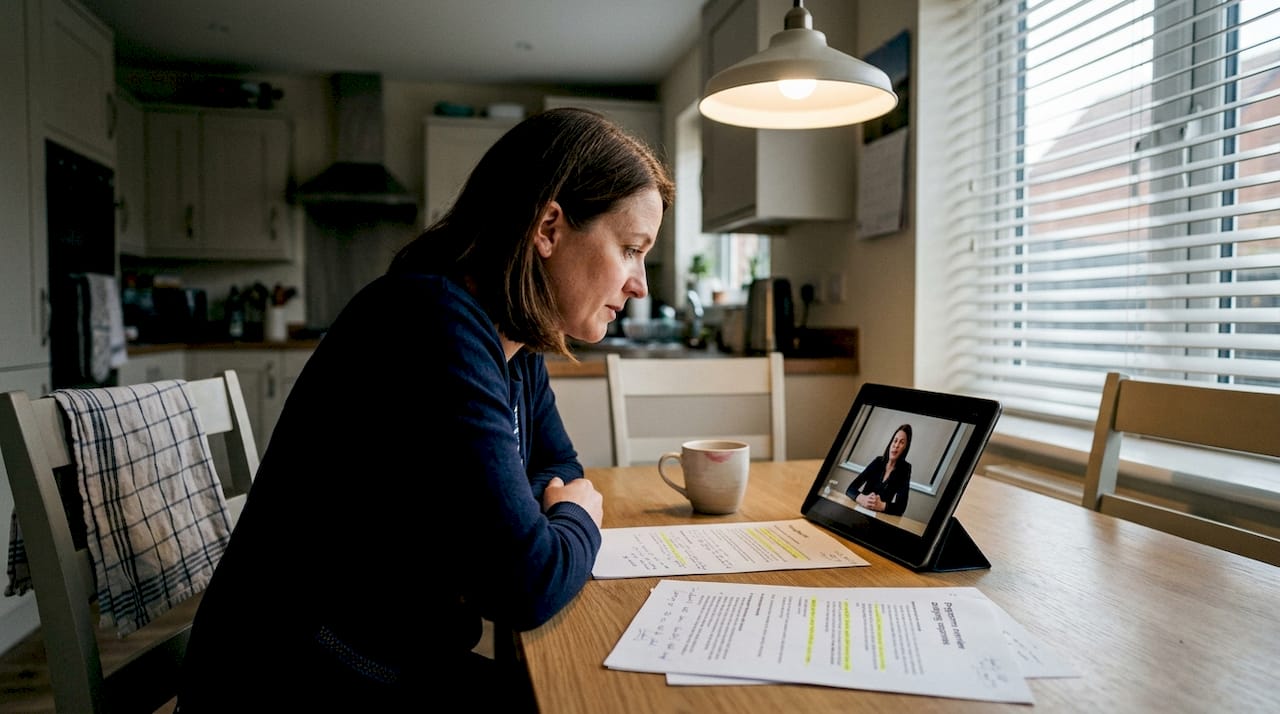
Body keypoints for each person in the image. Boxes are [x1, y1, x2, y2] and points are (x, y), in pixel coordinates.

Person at [176, 108, 674, 712]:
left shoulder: (512, 345)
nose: (640, 284)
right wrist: (577, 520)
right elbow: (525, 584)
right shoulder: (435, 323)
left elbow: (557, 470)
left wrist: (539, 511)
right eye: (630, 249)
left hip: (384, 664)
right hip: (296, 683)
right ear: (549, 227)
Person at [846, 424, 913, 516]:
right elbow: (850, 489)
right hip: (860, 511)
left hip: (880, 517)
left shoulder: (905, 469)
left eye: (901, 442)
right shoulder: (878, 461)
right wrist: (862, 498)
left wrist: (881, 505)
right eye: (895, 440)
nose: (896, 445)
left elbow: (901, 507)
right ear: (890, 443)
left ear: (905, 448)